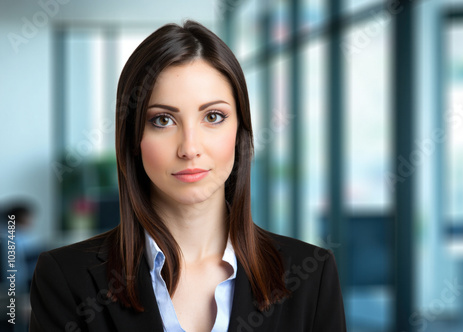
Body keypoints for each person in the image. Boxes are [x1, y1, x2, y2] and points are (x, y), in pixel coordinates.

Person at [29, 20, 346, 332]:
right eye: (163, 120)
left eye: (213, 116)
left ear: (240, 133)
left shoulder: (311, 275)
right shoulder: (66, 279)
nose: (189, 148)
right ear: (133, 139)